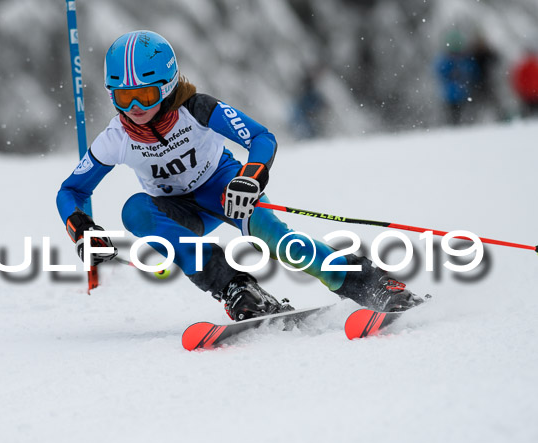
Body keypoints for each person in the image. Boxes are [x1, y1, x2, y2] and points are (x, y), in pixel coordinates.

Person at [56, 30, 423, 321]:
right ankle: (236, 288)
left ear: (167, 86)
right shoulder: (115, 139)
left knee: (282, 244)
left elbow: (261, 138)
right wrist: (82, 227)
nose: (135, 109)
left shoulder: (197, 109)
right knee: (135, 210)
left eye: (147, 95)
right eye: (123, 98)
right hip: (177, 209)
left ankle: (366, 281)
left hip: (224, 188)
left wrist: (250, 177)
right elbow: (71, 190)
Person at [512, 50, 538, 116]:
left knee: (528, 111)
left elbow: (519, 80)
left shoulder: (524, 67)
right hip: (530, 94)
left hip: (528, 93)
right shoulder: (532, 66)